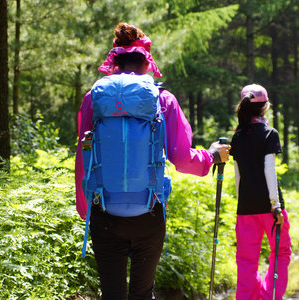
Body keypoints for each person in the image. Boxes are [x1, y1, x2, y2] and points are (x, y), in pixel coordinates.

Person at [75, 23, 230, 300]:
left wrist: (85, 208)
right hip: (148, 213)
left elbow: (83, 156)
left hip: (104, 212)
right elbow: (181, 159)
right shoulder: (162, 99)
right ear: (146, 63)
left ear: (114, 62)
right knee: (142, 293)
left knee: (111, 294)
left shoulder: (93, 99)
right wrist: (211, 157)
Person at [230, 84, 292, 300]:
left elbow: (238, 175)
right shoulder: (269, 133)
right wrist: (275, 205)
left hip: (245, 207)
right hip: (269, 206)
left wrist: (242, 202)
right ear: (265, 107)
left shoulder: (237, 136)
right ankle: (269, 296)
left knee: (246, 259)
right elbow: (269, 170)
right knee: (281, 252)